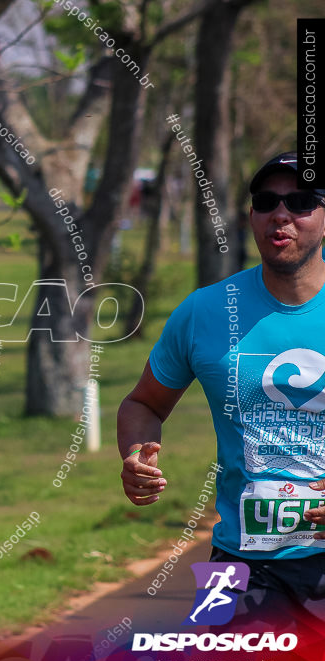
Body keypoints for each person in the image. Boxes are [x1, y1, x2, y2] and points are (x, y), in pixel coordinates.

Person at [118, 151, 325, 631]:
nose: (281, 214)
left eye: (300, 201)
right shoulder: (206, 311)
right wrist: (134, 454)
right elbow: (143, 403)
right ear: (251, 216)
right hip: (239, 564)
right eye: (266, 201)